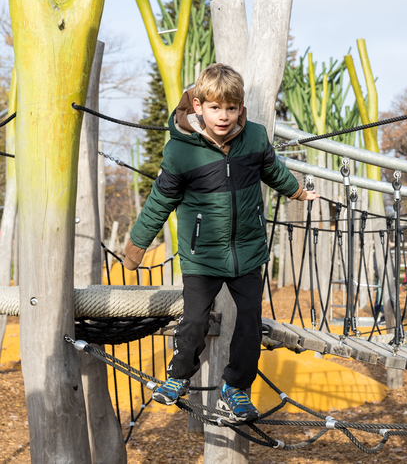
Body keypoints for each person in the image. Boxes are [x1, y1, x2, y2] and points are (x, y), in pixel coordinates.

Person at [123, 63, 318, 422]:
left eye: (231, 108)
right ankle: (179, 375)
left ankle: (236, 387)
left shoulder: (256, 137)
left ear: (241, 109)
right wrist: (137, 246)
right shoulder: (180, 152)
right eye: (215, 108)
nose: (224, 116)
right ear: (197, 106)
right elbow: (159, 201)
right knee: (194, 320)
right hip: (202, 255)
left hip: (247, 251)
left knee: (249, 320)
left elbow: (273, 170)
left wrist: (297, 191)